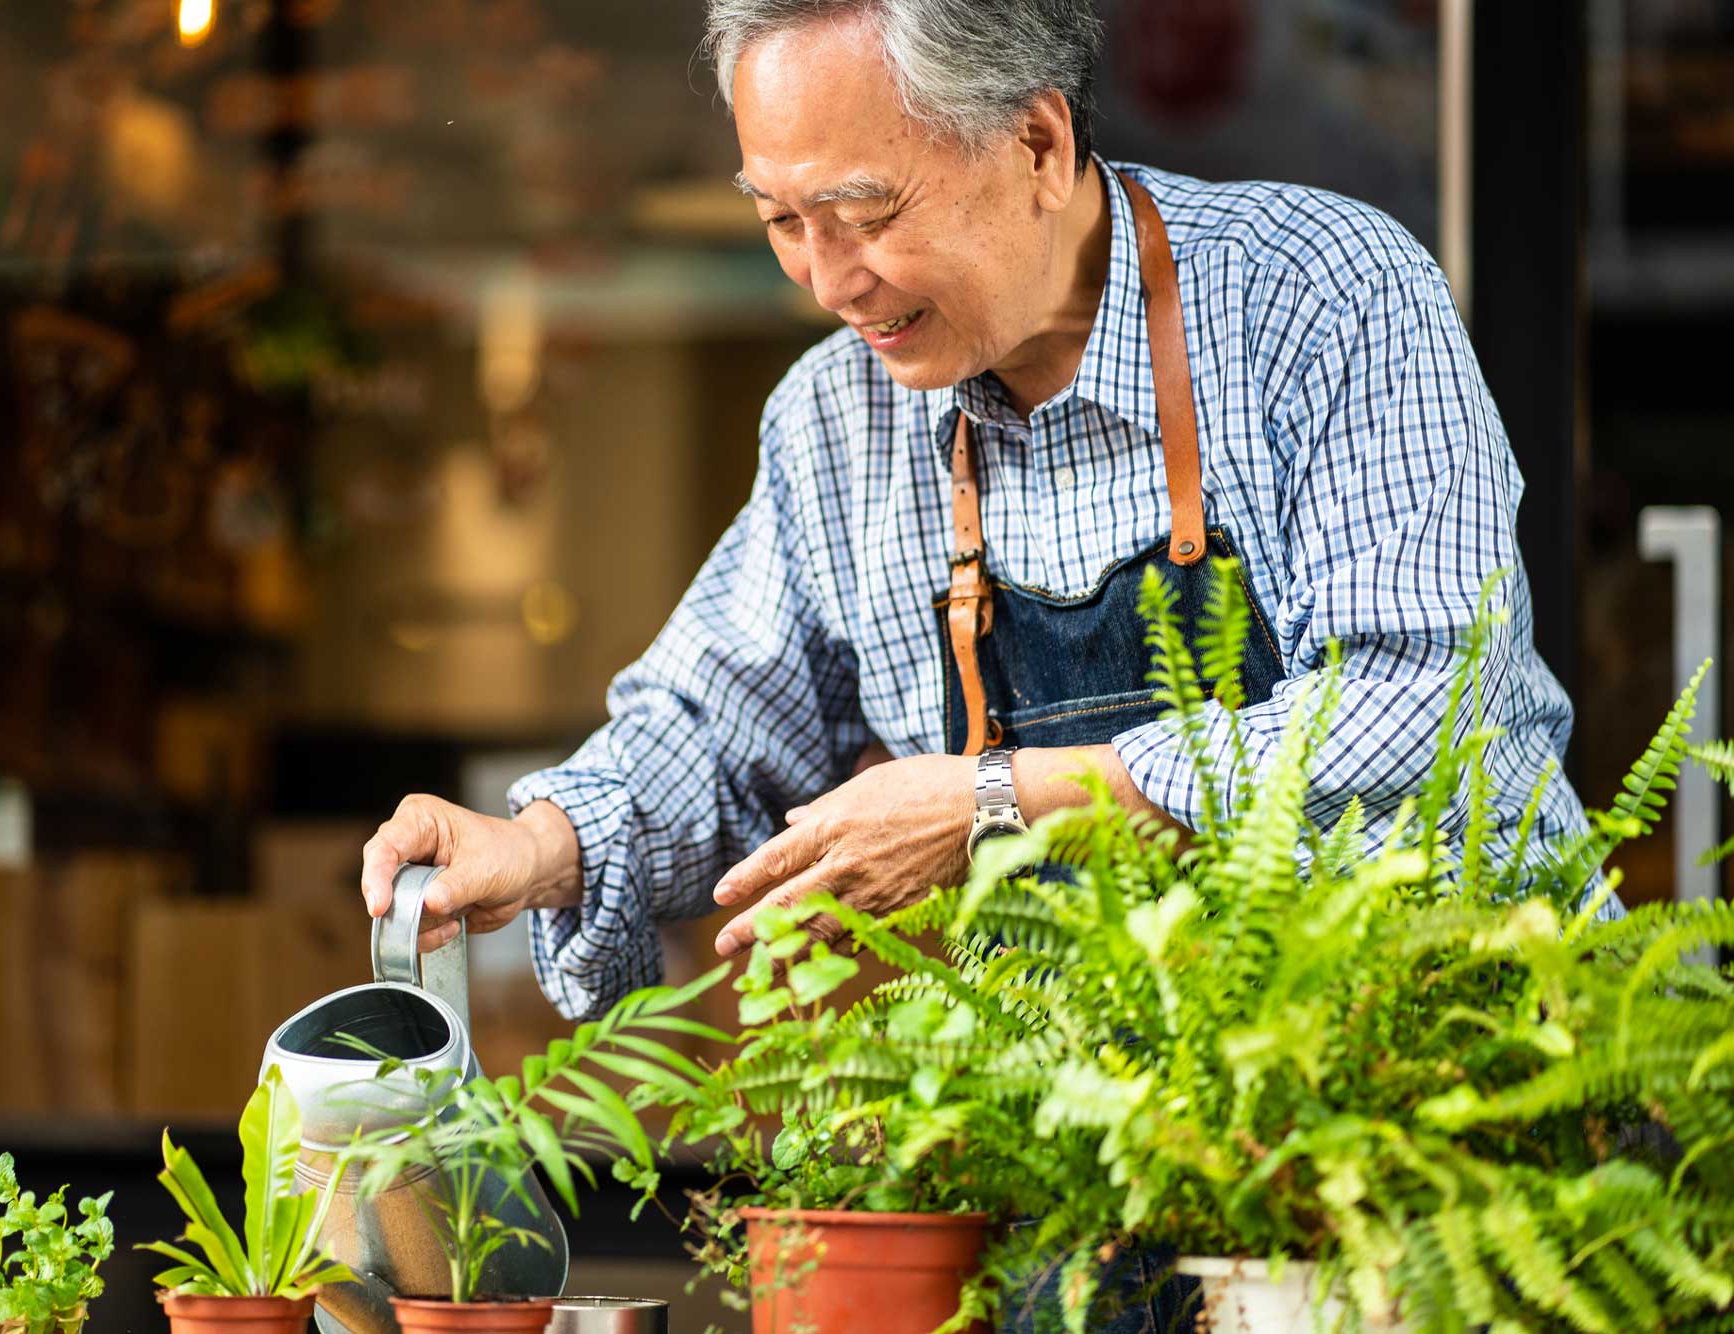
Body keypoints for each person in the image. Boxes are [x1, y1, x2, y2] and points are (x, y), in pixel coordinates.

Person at [361, 0, 1610, 1026]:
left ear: (1037, 147)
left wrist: (995, 799)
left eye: (864, 216)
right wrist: (535, 844)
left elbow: (1412, 704)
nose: (827, 282)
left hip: (1445, 1102)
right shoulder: (835, 421)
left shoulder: (1322, 301)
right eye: (779, 222)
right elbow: (715, 722)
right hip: (1096, 1153)